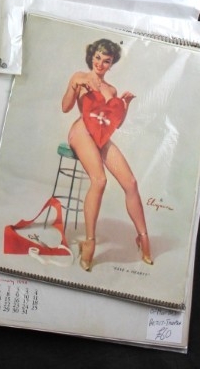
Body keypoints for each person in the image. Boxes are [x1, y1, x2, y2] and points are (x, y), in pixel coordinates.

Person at [61, 38, 152, 272]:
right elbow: (65, 107)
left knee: (131, 183)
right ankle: (89, 242)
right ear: (92, 56)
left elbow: (115, 123)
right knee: (99, 180)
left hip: (100, 135)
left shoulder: (111, 90)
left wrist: (125, 105)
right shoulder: (80, 77)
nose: (100, 63)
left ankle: (143, 237)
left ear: (112, 64)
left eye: (106, 61)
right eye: (98, 58)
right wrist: (74, 86)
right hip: (82, 131)